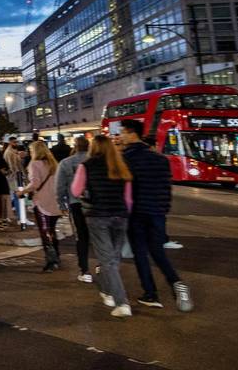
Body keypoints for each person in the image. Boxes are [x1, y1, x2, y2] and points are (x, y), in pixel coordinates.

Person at [119, 119, 192, 312]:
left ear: (131, 133)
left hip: (137, 213)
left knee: (140, 254)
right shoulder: (160, 159)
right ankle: (176, 281)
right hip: (158, 213)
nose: (120, 137)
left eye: (122, 133)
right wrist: (162, 208)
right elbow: (167, 188)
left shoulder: (126, 158)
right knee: (158, 252)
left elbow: (125, 189)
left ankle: (150, 294)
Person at [70, 135, 134, 318]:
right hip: (120, 216)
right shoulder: (121, 167)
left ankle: (121, 302)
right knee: (113, 258)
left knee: (107, 260)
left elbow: (75, 190)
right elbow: (128, 199)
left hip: (98, 216)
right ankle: (106, 291)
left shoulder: (86, 166)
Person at [19, 141, 62, 272]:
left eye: (31, 151)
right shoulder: (54, 163)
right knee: (52, 230)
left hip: (42, 202)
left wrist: (22, 191)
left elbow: (35, 183)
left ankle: (51, 260)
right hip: (55, 201)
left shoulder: (34, 164)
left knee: (45, 231)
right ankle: (57, 256)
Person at [56, 136, 93, 283]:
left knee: (81, 236)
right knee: (97, 236)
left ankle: (85, 270)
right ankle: (102, 265)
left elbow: (59, 186)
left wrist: (61, 204)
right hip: (94, 203)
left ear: (75, 146)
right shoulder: (95, 161)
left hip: (75, 202)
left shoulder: (66, 163)